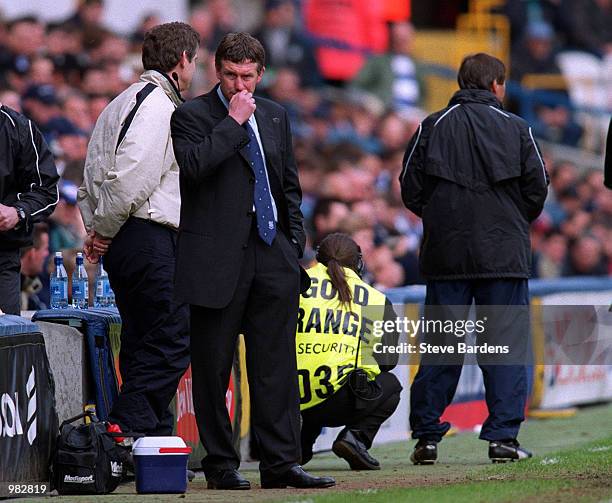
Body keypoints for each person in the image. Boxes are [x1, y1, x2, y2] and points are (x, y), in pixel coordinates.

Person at [171, 32, 335, 490]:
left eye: (247, 76)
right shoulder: (191, 115)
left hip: (272, 255)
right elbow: (195, 166)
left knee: (277, 366)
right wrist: (234, 121)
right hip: (215, 260)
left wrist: (292, 244)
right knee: (213, 367)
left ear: (261, 74)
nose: (238, 85)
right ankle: (221, 464)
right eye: (229, 74)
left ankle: (282, 463)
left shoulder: (278, 116)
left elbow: (288, 186)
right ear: (215, 70)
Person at [400, 53, 548, 464]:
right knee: (504, 349)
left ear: (462, 81)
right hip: (503, 257)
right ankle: (502, 438)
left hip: (446, 256)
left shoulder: (432, 125)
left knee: (440, 347)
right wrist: (511, 220)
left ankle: (426, 438)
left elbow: (409, 188)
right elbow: (538, 189)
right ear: (497, 85)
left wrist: (442, 218)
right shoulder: (518, 128)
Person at [77, 22, 199, 439]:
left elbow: (90, 177)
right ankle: (124, 428)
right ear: (183, 60)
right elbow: (130, 179)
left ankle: (148, 440)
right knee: (172, 338)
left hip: (123, 237)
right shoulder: (159, 108)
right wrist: (104, 231)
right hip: (145, 235)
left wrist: (96, 228)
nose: (195, 69)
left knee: (142, 341)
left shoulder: (118, 103)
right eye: (195, 60)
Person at [297, 233, 402, 470]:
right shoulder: (375, 298)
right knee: (391, 385)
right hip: (342, 400)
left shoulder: (296, 284)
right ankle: (355, 438)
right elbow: (388, 360)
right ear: (358, 263)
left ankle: (295, 447)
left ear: (318, 257)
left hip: (288, 399)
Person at [0, 101, 59, 315]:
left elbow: (47, 191)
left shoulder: (19, 128)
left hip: (3, 254)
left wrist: (17, 212)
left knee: (5, 337)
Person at [20, 223, 50, 311]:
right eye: (45, 249)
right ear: (32, 254)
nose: (47, 253)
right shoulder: (10, 291)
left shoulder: (29, 288)